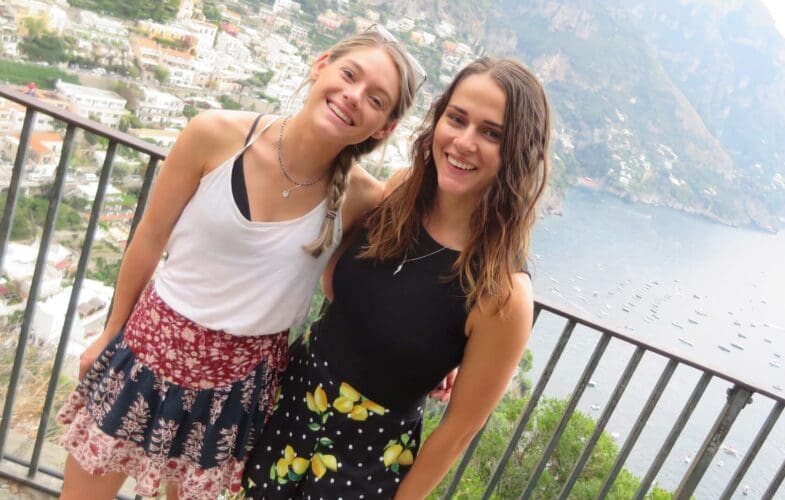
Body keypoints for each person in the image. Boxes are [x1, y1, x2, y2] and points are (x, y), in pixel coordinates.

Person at [56, 29, 419, 500]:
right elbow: (149, 238)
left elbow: (379, 278)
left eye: (376, 99)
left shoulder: (362, 198)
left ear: (384, 128)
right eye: (349, 75)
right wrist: (110, 332)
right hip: (146, 352)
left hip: (234, 392)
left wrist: (431, 357)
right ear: (321, 64)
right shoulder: (215, 134)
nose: (353, 96)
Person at [241, 57, 552, 499]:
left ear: (522, 152)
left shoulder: (501, 293)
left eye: (492, 133)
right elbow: (344, 290)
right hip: (290, 403)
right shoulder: (402, 192)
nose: (464, 142)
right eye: (457, 119)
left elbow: (460, 430)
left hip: (360, 463)